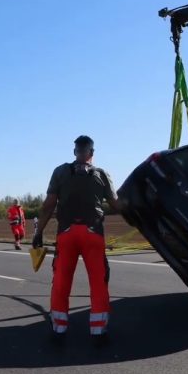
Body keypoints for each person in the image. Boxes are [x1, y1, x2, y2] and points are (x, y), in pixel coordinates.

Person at [33, 135, 119, 346]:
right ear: (92, 153)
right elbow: (117, 205)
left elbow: (48, 205)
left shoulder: (60, 171)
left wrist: (38, 233)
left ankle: (59, 329)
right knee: (98, 282)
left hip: (67, 234)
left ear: (75, 152)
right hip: (93, 234)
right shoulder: (102, 174)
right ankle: (98, 332)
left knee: (61, 281)